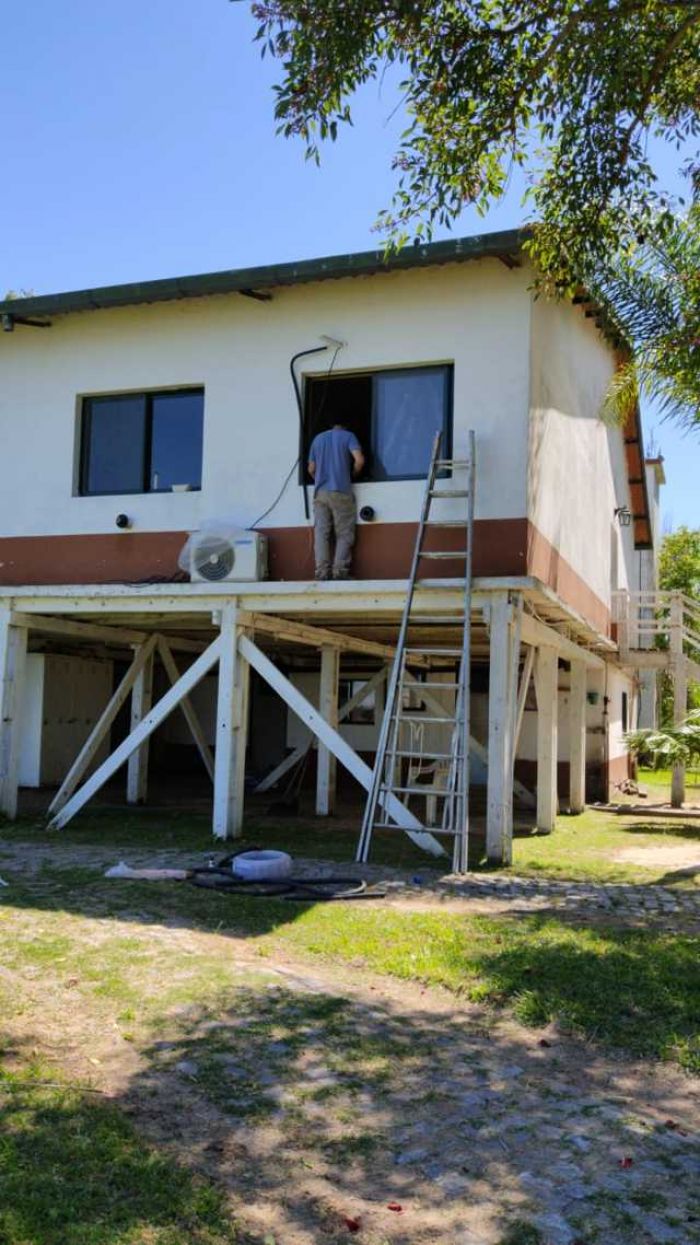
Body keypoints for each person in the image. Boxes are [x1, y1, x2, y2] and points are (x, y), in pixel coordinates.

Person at [307, 422, 364, 580]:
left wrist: (319, 479)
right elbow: (359, 460)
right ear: (344, 425)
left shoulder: (317, 439)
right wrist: (353, 474)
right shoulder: (349, 436)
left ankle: (322, 572)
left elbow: (311, 469)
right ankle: (339, 571)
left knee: (321, 533)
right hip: (341, 491)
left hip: (320, 493)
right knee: (344, 533)